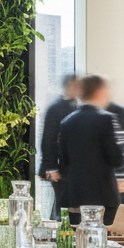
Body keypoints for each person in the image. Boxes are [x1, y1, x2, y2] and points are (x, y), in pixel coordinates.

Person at [58, 73, 124, 226]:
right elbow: (116, 158)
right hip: (102, 196)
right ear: (99, 91)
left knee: (77, 242)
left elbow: (64, 161)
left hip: (74, 194)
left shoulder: (67, 122)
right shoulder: (105, 119)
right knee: (103, 242)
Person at [38, 74, 79, 219]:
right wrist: (50, 167)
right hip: (59, 168)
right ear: (67, 86)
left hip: (72, 168)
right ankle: (59, 236)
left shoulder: (77, 105)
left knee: (63, 205)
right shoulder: (55, 108)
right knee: (62, 206)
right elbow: (48, 139)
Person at [107, 100, 124, 205]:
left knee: (120, 215)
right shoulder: (79, 111)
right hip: (92, 178)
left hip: (117, 176)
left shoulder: (118, 111)